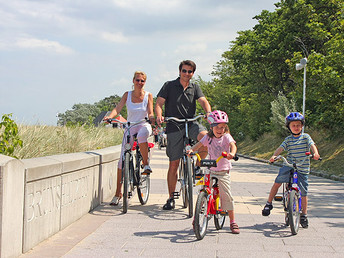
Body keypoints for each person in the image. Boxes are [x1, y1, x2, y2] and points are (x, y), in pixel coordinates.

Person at [155, 60, 212, 210]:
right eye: (184, 71)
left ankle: (198, 167)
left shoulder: (195, 87)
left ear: (193, 73)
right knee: (173, 164)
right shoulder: (169, 85)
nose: (187, 74)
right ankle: (170, 198)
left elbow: (203, 101)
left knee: (206, 138)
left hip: (190, 123)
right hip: (174, 125)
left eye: (190, 71)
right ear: (180, 71)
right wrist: (159, 116)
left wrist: (208, 113)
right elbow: (159, 103)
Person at [262, 112, 320, 228]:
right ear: (289, 127)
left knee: (304, 192)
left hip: (302, 168)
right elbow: (281, 148)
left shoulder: (305, 137)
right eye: (293, 125)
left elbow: (312, 145)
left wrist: (316, 153)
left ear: (302, 126)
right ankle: (268, 203)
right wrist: (274, 156)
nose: (296, 127)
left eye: (298, 125)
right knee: (278, 182)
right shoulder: (288, 139)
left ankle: (304, 215)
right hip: (289, 166)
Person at [104, 71, 155, 206]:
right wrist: (110, 117)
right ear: (133, 81)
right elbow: (118, 108)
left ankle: (145, 163)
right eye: (137, 80)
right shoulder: (127, 95)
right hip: (130, 125)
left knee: (142, 135)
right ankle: (117, 193)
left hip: (143, 124)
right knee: (121, 161)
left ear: (145, 82)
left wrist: (152, 118)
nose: (139, 83)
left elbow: (150, 112)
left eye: (142, 81)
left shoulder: (148, 95)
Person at [187, 110, 240, 234]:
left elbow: (233, 145)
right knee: (203, 190)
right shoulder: (208, 137)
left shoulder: (226, 137)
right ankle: (197, 216)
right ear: (211, 127)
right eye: (217, 127)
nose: (220, 130)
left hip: (223, 171)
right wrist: (191, 150)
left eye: (223, 127)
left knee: (226, 195)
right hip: (210, 169)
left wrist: (231, 154)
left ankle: (232, 221)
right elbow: (199, 145)